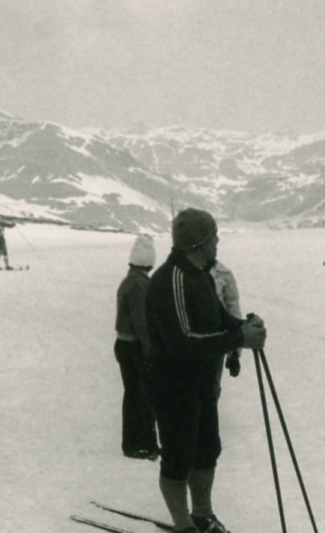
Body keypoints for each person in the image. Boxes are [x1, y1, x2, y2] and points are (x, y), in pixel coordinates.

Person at [144, 209, 267, 533]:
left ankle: (202, 515)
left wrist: (243, 327)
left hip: (202, 381)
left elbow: (220, 320)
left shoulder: (201, 276)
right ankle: (184, 526)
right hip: (172, 386)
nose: (217, 242)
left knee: (207, 450)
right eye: (213, 237)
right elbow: (181, 343)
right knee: (178, 456)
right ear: (197, 243)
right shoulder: (170, 279)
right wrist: (238, 338)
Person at [115, 234, 159, 460]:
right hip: (135, 347)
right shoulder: (140, 284)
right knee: (142, 395)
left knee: (134, 394)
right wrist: (151, 350)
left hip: (125, 345)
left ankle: (137, 443)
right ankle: (140, 444)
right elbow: (142, 322)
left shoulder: (129, 280)